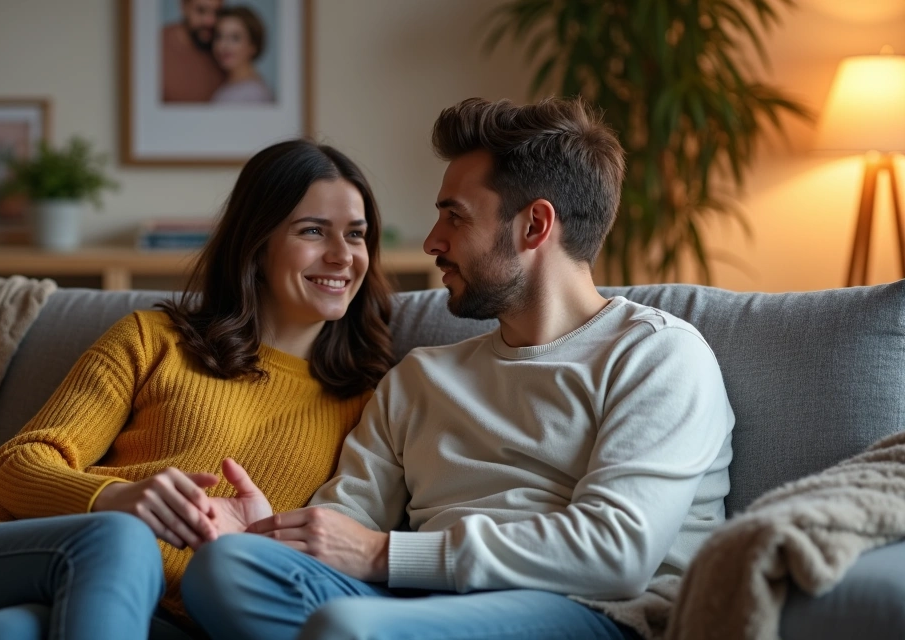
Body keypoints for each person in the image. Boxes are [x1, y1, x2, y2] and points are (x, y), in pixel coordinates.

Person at [181, 97, 736, 640]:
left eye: (454, 216)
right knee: (226, 570)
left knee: (348, 628)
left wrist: (383, 554)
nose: (431, 242)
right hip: (409, 605)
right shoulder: (420, 379)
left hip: (587, 611)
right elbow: (345, 525)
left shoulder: (657, 356)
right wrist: (266, 536)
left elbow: (615, 553)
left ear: (534, 226)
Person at [0, 138, 395, 640]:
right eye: (313, 231)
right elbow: (17, 468)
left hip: (157, 615)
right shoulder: (155, 340)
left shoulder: (372, 403)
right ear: (256, 245)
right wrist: (118, 498)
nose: (341, 255)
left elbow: (336, 559)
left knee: (7, 632)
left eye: (355, 235)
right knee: (121, 538)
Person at [161, 0, 226, 103]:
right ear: (183, 7)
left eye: (217, 13)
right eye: (201, 10)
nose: (210, 21)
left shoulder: (224, 50)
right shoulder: (157, 45)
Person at [210, 6, 275, 104]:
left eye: (235, 38)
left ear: (253, 45)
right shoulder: (226, 87)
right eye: (219, 36)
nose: (223, 45)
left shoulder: (255, 94)